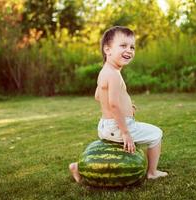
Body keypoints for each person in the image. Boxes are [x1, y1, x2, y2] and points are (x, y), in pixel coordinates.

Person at [69, 26, 168, 182]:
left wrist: (128, 106)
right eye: (123, 46)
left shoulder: (105, 71)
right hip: (118, 127)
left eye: (132, 47)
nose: (129, 50)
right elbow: (114, 104)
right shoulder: (114, 75)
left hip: (105, 126)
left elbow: (98, 96)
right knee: (156, 134)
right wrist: (126, 133)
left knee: (120, 149)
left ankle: (78, 167)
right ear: (107, 50)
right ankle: (152, 172)